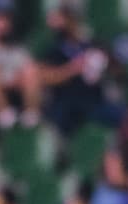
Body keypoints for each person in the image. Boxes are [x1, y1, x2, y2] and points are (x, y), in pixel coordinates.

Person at [37, 4, 122, 137]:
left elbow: (118, 70)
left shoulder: (92, 44)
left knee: (123, 116)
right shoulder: (51, 47)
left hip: (94, 100)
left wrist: (105, 62)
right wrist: (72, 69)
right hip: (64, 101)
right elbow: (44, 76)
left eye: (69, 18)